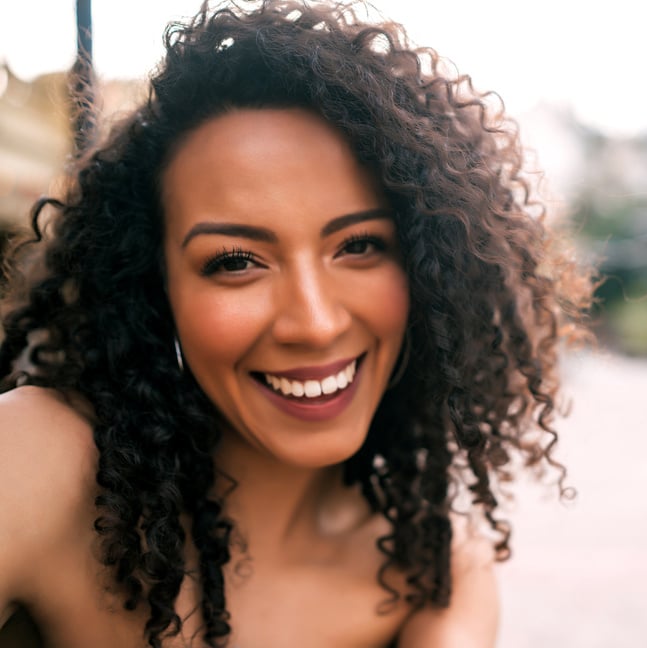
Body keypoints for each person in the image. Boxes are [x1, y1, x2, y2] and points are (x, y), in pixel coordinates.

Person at [0, 1, 592, 646]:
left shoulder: (433, 575)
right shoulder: (37, 459)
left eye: (360, 245)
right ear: (154, 285)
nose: (313, 324)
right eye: (234, 261)